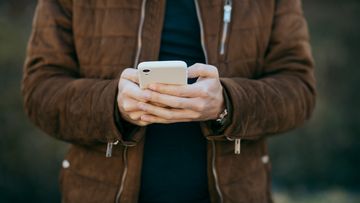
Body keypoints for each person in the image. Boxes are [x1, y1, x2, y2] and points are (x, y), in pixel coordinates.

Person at [22, 0, 315, 202]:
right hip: (97, 193)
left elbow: (299, 88)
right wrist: (111, 104)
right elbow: (40, 90)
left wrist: (228, 103)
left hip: (238, 193)